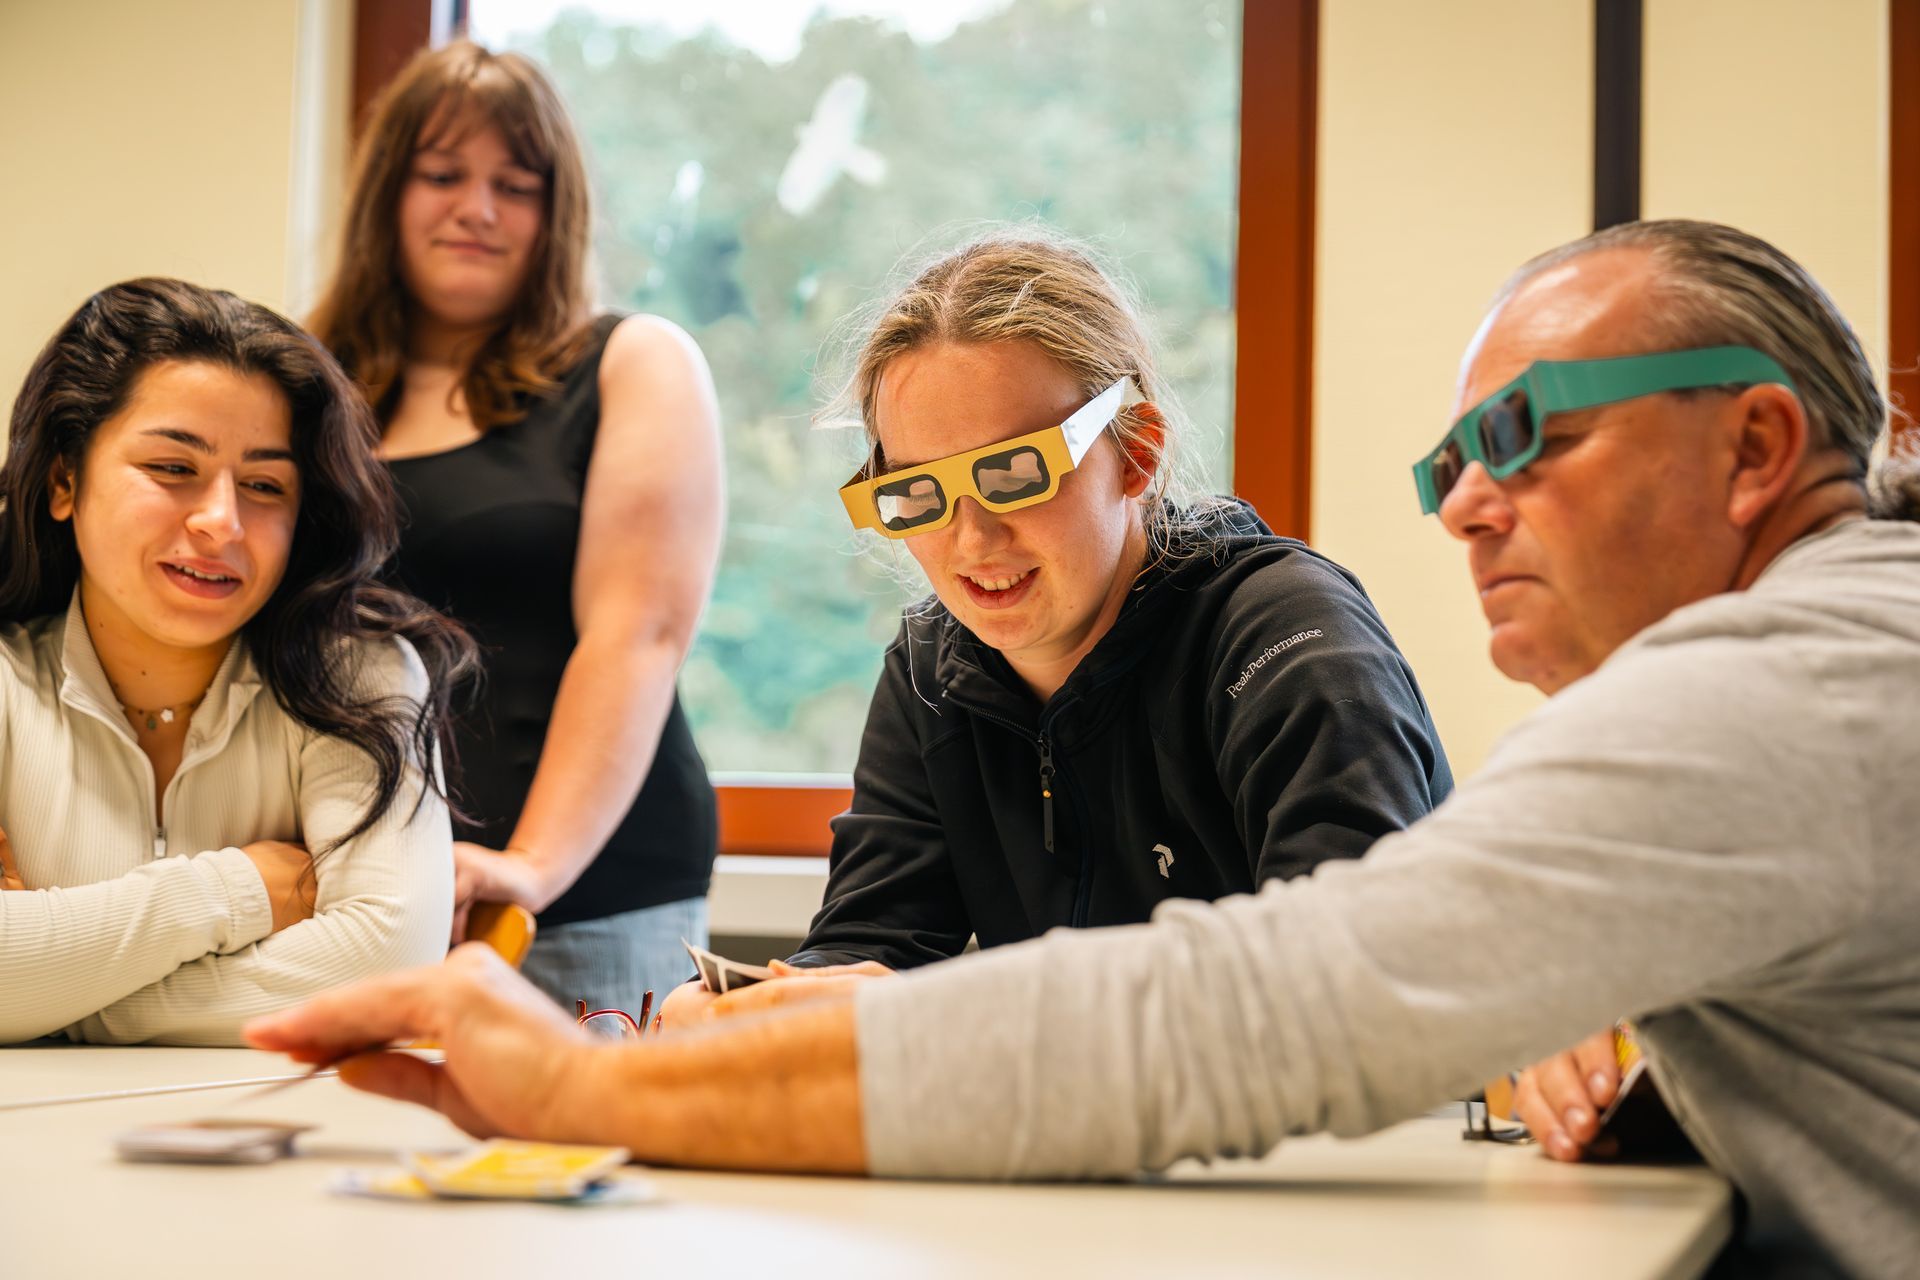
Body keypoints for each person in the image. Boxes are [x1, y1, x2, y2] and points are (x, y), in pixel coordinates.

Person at [249, 219, 1920, 1277]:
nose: (1468, 503)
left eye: (1525, 436)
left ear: (1759, 444)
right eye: (916, 497)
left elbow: (1294, 1003)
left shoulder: (1776, 682)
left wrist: (591, 1081)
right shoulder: (1826, 667)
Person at [661, 233, 1451, 1027]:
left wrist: (944, 1013)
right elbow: (870, 944)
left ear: (1135, 454)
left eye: (1014, 475)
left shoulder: (1285, 638)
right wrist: (764, 1011)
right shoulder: (935, 671)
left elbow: (1345, 974)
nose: (972, 541)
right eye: (917, 496)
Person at [306, 41, 724, 1015]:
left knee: (582, 1166)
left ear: (556, 207)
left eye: (516, 183)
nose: (477, 208)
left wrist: (529, 867)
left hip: (589, 898)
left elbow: (640, 636)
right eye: (443, 175)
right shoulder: (306, 384)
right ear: (387, 198)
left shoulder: (633, 361)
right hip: (361, 897)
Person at [0, 277, 475, 1046]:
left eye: (263, 485)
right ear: (64, 480)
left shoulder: (364, 678)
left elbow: (386, 969)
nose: (222, 522)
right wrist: (241, 888)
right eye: (172, 468)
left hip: (292, 1150)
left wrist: (54, 1001)